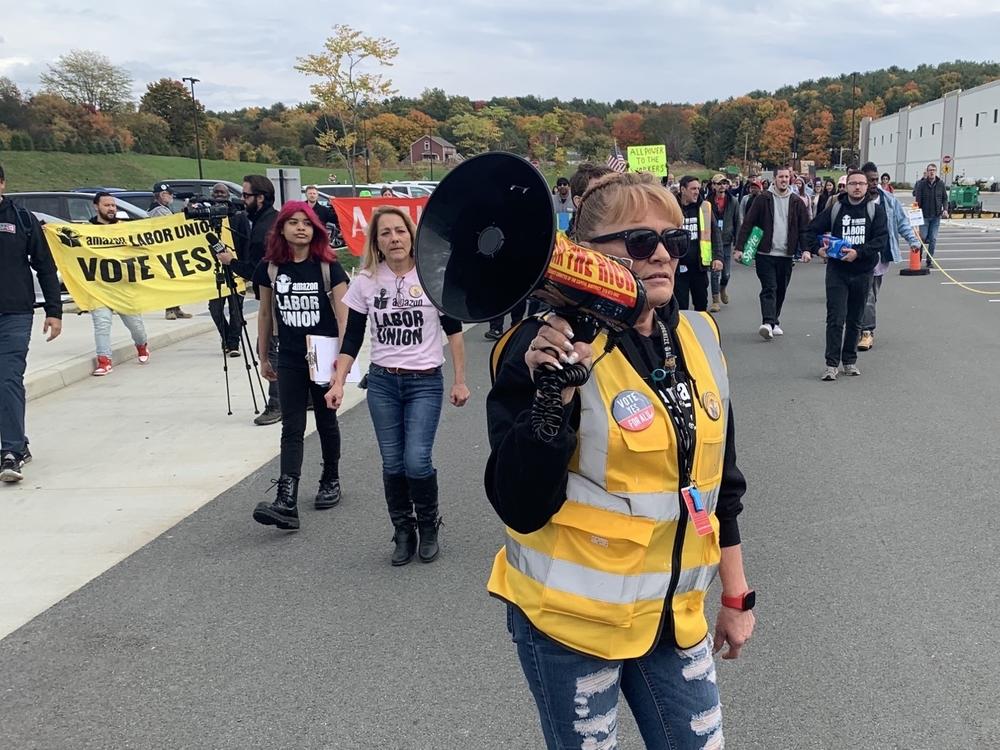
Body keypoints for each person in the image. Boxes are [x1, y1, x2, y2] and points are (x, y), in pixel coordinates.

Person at [486, 171, 754, 749]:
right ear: (583, 256)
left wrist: (735, 597)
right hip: (571, 626)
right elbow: (519, 504)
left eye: (674, 241)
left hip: (673, 619)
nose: (661, 255)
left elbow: (720, 485)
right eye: (638, 242)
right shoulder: (538, 351)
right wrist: (550, 400)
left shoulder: (701, 337)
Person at [327, 206, 470, 565]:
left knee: (416, 461)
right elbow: (352, 339)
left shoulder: (432, 276)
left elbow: (454, 334)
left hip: (425, 383)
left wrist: (460, 381)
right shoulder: (366, 282)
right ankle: (403, 530)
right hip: (383, 384)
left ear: (412, 235)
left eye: (400, 231)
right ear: (376, 241)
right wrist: (338, 382)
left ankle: (428, 524)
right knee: (392, 463)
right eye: (385, 233)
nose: (394, 238)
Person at [251, 201, 349, 529]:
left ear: (316, 229)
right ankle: (287, 497)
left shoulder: (329, 267)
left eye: (306, 222)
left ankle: (330, 478)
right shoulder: (270, 268)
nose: (300, 228)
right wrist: (263, 355)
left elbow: (344, 318)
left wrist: (342, 366)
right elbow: (265, 313)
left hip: (323, 354)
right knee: (291, 426)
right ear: (281, 229)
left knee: (325, 421)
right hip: (290, 356)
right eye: (292, 222)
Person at [0, 163, 62, 482]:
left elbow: (45, 266)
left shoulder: (22, 219)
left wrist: (54, 310)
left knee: (8, 377)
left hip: (14, 313)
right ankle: (18, 442)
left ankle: (10, 451)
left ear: (2, 184)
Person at [807, 169, 888, 381]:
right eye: (853, 183)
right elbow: (810, 230)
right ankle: (831, 364)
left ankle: (849, 361)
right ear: (846, 186)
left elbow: (880, 240)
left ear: (867, 186)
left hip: (862, 272)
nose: (858, 187)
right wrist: (818, 249)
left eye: (861, 183)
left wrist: (858, 253)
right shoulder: (836, 210)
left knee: (855, 319)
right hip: (837, 272)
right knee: (835, 318)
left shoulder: (875, 211)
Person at [217, 175, 282, 425]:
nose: (242, 200)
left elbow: (257, 271)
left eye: (246, 195)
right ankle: (301, 396)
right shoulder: (268, 221)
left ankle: (278, 403)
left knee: (269, 349)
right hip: (279, 294)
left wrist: (230, 262)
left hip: (276, 297)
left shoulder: (265, 230)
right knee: (275, 348)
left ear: (260, 197)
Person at [734, 165, 812, 339]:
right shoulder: (763, 199)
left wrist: (806, 249)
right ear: (774, 179)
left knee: (781, 289)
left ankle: (774, 320)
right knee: (769, 287)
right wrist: (739, 247)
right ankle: (767, 322)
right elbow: (748, 223)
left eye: (786, 177)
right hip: (765, 253)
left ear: (790, 179)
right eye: (780, 177)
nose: (784, 180)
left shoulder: (796, 201)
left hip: (786, 254)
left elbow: (804, 229)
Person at [858, 162, 920, 352]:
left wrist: (913, 241)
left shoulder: (889, 200)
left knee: (872, 295)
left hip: (882, 254)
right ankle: (866, 331)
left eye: (876, 179)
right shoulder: (856, 200)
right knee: (866, 294)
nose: (874, 183)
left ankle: (862, 324)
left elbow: (902, 223)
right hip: (861, 255)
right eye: (870, 180)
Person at [87, 193, 150, 375]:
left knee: (136, 326)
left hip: (123, 287)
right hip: (99, 288)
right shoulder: (86, 230)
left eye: (113, 205)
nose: (112, 208)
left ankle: (142, 345)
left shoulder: (126, 228)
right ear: (96, 207)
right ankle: (104, 360)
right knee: (102, 324)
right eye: (107, 205)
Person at [206, 183, 250, 357]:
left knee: (235, 309)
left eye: (222, 192)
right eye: (215, 192)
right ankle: (226, 338)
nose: (218, 195)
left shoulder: (239, 217)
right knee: (215, 309)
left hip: (235, 268)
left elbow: (246, 243)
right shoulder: (205, 216)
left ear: (228, 195)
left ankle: (234, 344)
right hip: (212, 271)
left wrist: (246, 269)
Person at [675, 176, 723, 312]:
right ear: (683, 189)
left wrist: (718, 257)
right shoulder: (672, 207)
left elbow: (715, 233)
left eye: (698, 188)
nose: (697, 192)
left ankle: (700, 332)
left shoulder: (705, 208)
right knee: (680, 307)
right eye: (693, 189)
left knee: (701, 304)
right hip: (678, 268)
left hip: (699, 266)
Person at [149, 183, 193, 320]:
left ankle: (176, 307)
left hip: (169, 248)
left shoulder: (163, 209)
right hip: (163, 250)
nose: (172, 197)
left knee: (175, 279)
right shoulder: (158, 210)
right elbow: (170, 224)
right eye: (170, 194)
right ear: (162, 195)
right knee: (169, 279)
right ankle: (169, 309)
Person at [709, 174, 740, 312]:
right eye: (719, 183)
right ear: (713, 186)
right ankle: (715, 300)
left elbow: (737, 222)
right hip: (712, 242)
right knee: (715, 272)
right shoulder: (707, 202)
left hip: (727, 241)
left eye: (724, 183)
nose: (722, 186)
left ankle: (723, 288)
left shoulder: (733, 201)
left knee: (726, 273)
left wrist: (738, 245)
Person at [913, 162, 949, 269]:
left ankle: (929, 260)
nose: (932, 172)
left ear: (936, 172)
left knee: (933, 239)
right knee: (923, 238)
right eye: (930, 170)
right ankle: (918, 258)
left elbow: (945, 198)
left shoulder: (940, 184)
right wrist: (916, 214)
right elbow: (917, 200)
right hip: (924, 216)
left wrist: (945, 209)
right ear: (927, 172)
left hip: (936, 216)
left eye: (933, 170)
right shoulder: (921, 185)